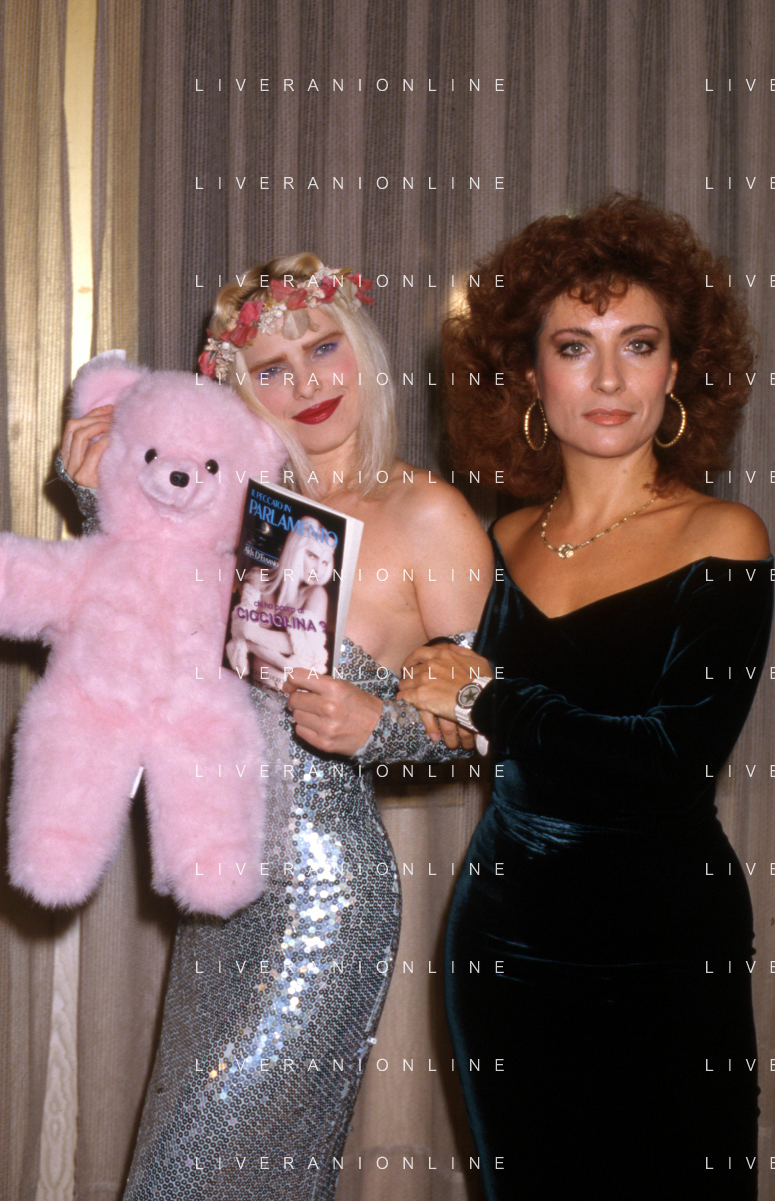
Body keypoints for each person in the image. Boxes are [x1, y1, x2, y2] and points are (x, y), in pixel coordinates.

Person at [58, 255, 492, 1198]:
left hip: (322, 899)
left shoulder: (427, 513)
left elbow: (483, 715)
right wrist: (101, 499)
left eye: (323, 348)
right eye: (273, 368)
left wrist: (381, 728)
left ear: (360, 349)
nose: (308, 383)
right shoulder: (224, 511)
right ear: (237, 386)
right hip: (220, 886)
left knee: (196, 1171)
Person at [396, 195, 773, 1199]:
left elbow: (669, 765)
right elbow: (413, 690)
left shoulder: (723, 536)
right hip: (503, 949)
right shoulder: (492, 542)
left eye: (637, 345)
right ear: (527, 374)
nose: (608, 379)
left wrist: (488, 697)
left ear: (676, 369)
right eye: (574, 347)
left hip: (667, 953)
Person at [226, 516, 335, 687]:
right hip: (242, 685)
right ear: (295, 549)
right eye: (312, 556)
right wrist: (249, 636)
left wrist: (250, 640)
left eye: (324, 562)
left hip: (288, 696)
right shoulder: (259, 579)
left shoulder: (316, 594)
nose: (318, 569)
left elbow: (306, 650)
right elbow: (237, 632)